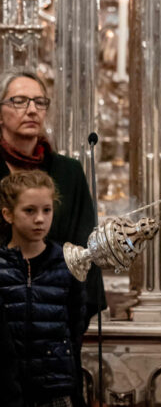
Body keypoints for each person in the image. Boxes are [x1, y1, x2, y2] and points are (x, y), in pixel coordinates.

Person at [0, 69, 104, 322]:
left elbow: (86, 244)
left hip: (58, 312)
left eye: (39, 102)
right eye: (19, 101)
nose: (32, 110)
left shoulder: (67, 171)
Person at [0, 170, 87, 407]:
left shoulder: (66, 262)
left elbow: (75, 326)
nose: (40, 219)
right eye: (29, 210)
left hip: (52, 393)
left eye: (46, 210)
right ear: (8, 214)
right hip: (8, 396)